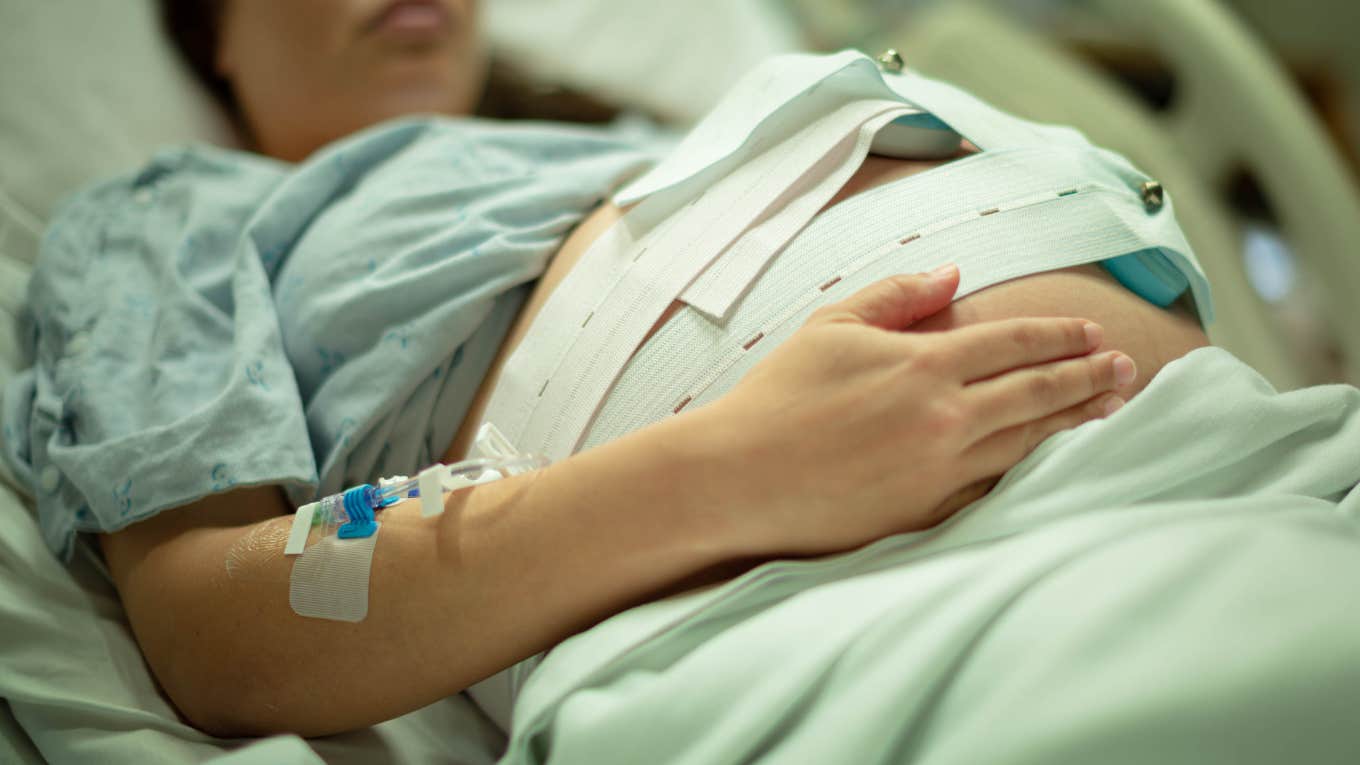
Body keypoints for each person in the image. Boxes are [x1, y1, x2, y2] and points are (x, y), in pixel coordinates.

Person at [1, 0, 1208, 739]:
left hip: (1209, 465)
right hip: (828, 619)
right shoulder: (171, 217)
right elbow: (220, 628)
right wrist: (735, 472)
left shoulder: (640, 143)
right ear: (214, 30)